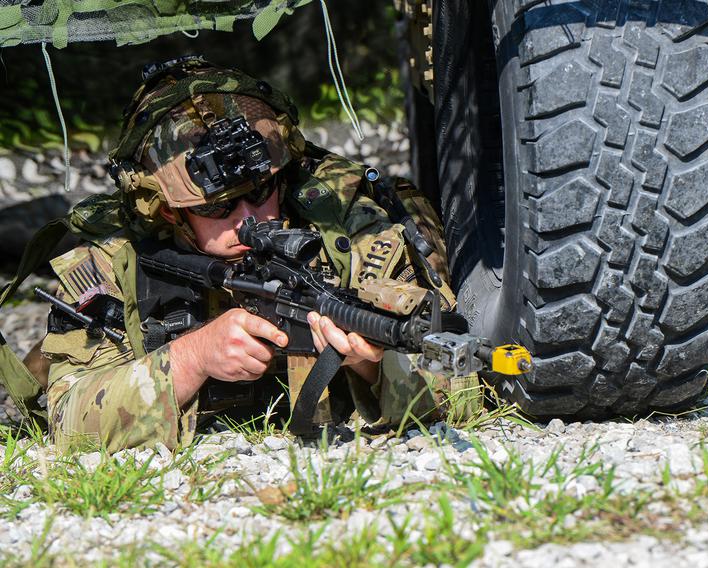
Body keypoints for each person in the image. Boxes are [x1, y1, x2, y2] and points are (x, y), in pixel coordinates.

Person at [36, 56, 476, 451]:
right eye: (217, 207)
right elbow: (66, 421)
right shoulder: (114, 259)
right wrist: (194, 357)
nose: (250, 218)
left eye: (262, 191)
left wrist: (373, 367)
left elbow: (464, 385)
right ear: (168, 212)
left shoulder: (345, 228)